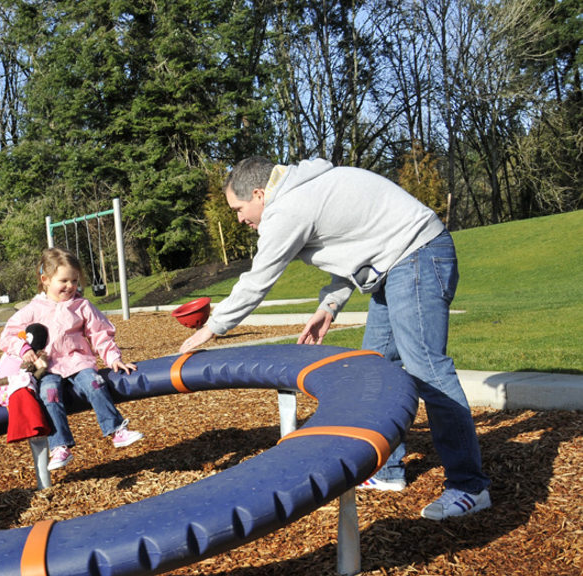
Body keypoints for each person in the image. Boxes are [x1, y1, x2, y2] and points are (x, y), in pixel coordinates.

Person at [179, 156, 490, 520]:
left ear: (260, 194)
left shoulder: (288, 208)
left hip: (417, 255)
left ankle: (469, 486)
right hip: (397, 262)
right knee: (377, 368)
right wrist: (329, 306)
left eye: (239, 207)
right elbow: (359, 244)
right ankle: (387, 471)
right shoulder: (308, 190)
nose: (238, 218)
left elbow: (257, 281)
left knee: (427, 369)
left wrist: (212, 326)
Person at [0, 247, 142, 470]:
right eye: (63, 280)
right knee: (49, 394)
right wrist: (23, 347)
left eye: (74, 281)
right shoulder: (33, 309)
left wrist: (113, 357)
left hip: (77, 361)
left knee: (95, 383)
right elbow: (8, 334)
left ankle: (116, 430)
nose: (70, 286)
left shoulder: (81, 305)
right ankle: (60, 446)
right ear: (45, 280)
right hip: (48, 367)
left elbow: (100, 333)